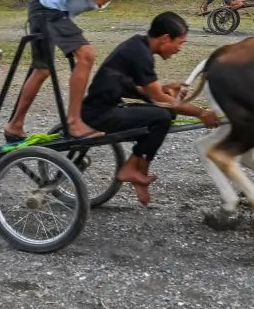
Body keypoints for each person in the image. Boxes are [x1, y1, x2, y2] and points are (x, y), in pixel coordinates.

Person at [2, 0, 194, 143]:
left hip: (58, 12)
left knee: (43, 69)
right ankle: (73, 121)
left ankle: (15, 125)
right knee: (84, 56)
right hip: (47, 9)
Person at [81, 11, 219, 205]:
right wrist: (201, 112)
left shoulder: (139, 46)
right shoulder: (140, 54)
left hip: (107, 107)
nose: (179, 49)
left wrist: (165, 88)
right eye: (180, 43)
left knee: (165, 113)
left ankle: (133, 167)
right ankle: (135, 169)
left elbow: (140, 88)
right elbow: (159, 99)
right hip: (99, 115)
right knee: (161, 116)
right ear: (164, 39)